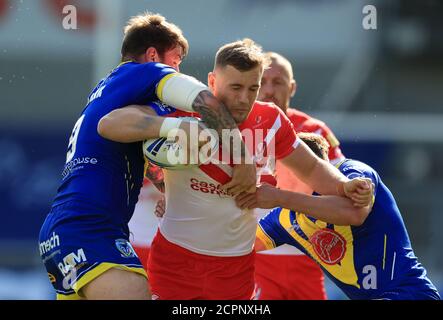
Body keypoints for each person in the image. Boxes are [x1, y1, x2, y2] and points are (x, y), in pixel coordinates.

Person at [38, 12, 257, 300]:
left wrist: (165, 185)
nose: (178, 68)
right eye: (176, 59)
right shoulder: (148, 73)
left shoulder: (109, 90)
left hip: (68, 226)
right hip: (90, 226)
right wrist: (241, 159)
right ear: (153, 54)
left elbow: (131, 152)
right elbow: (207, 101)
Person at [142, 39, 373, 300]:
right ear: (212, 81)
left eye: (253, 88)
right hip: (176, 261)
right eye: (236, 87)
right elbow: (116, 127)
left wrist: (343, 185)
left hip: (236, 268)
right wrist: (162, 183)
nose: (244, 99)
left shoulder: (272, 120)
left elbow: (312, 168)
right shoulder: (181, 114)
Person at [236, 133, 441, 300]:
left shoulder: (352, 172)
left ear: (300, 167)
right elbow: (240, 245)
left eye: (277, 167)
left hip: (411, 294)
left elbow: (354, 213)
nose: (273, 176)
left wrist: (281, 197)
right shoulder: (285, 217)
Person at [253, 52, 346, 299]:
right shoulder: (237, 128)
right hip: (255, 256)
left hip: (307, 256)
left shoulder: (315, 130)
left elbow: (342, 184)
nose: (269, 90)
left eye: (278, 82)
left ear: (292, 87)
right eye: (262, 82)